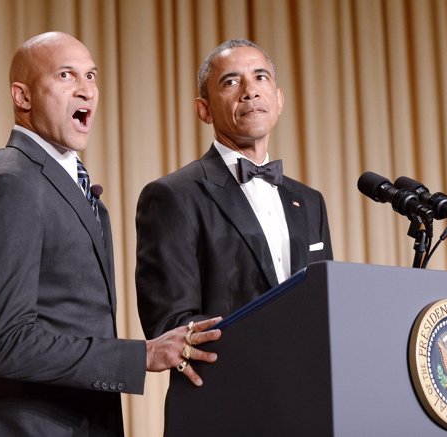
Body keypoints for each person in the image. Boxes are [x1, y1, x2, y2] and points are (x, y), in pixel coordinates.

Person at [0, 31, 220, 437]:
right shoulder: (11, 181)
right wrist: (143, 355)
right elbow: (8, 344)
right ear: (22, 96)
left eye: (92, 76)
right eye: (66, 76)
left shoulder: (71, 188)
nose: (86, 90)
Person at [135, 39, 333, 339]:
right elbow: (170, 322)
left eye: (260, 77)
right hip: (229, 381)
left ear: (279, 99)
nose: (250, 91)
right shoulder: (173, 196)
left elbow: (324, 304)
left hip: (308, 381)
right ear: (204, 110)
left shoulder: (309, 201)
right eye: (231, 82)